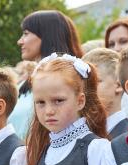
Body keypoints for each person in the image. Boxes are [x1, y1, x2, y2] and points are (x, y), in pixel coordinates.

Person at [9, 10, 83, 140]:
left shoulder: (71, 81)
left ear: (47, 35)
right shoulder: (22, 85)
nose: (20, 41)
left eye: (26, 34)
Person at [82, 48, 128, 138]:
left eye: (95, 82)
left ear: (118, 85)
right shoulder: (83, 133)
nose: (85, 89)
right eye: (82, 83)